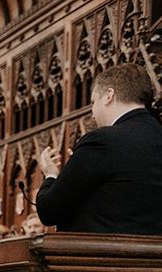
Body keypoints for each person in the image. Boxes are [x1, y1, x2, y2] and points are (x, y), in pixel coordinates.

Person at [36, 63, 162, 234]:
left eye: (94, 102)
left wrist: (51, 174)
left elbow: (49, 211)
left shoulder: (101, 141)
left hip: (103, 256)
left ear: (109, 95)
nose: (93, 113)